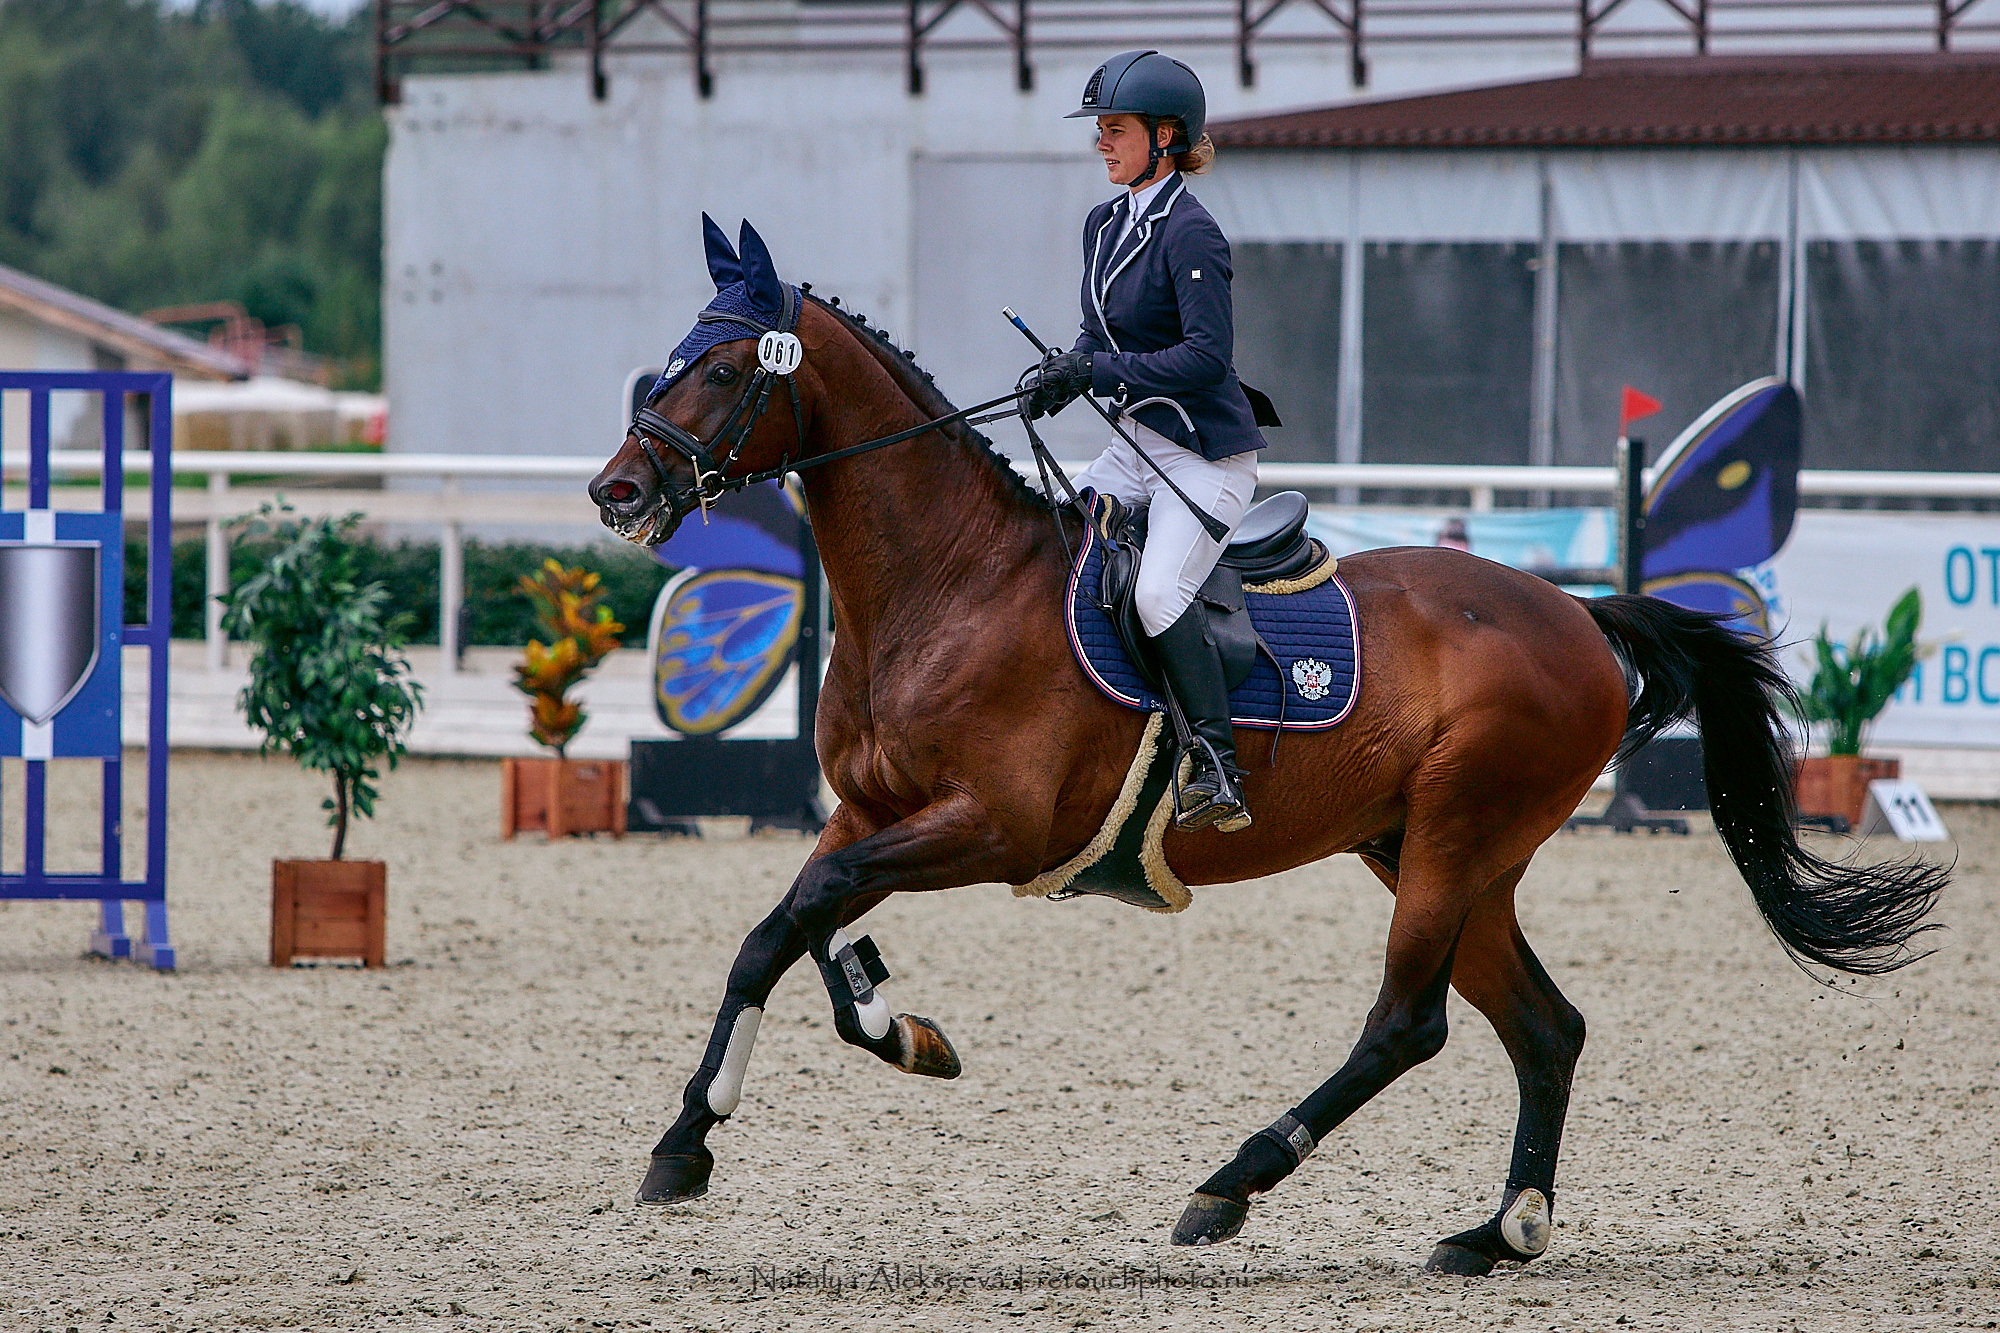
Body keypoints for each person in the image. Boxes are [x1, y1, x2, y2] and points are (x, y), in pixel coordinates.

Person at [1020, 49, 1269, 834]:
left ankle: (1218, 764)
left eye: (1116, 129)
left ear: (1166, 137)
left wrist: (1097, 368)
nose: (1101, 141)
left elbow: (1205, 359)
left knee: (1159, 592)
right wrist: (1066, 371)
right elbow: (1099, 331)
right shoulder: (1104, 225)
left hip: (1202, 457)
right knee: (1054, 547)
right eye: (1100, 129)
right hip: (1133, 444)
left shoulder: (1192, 234)